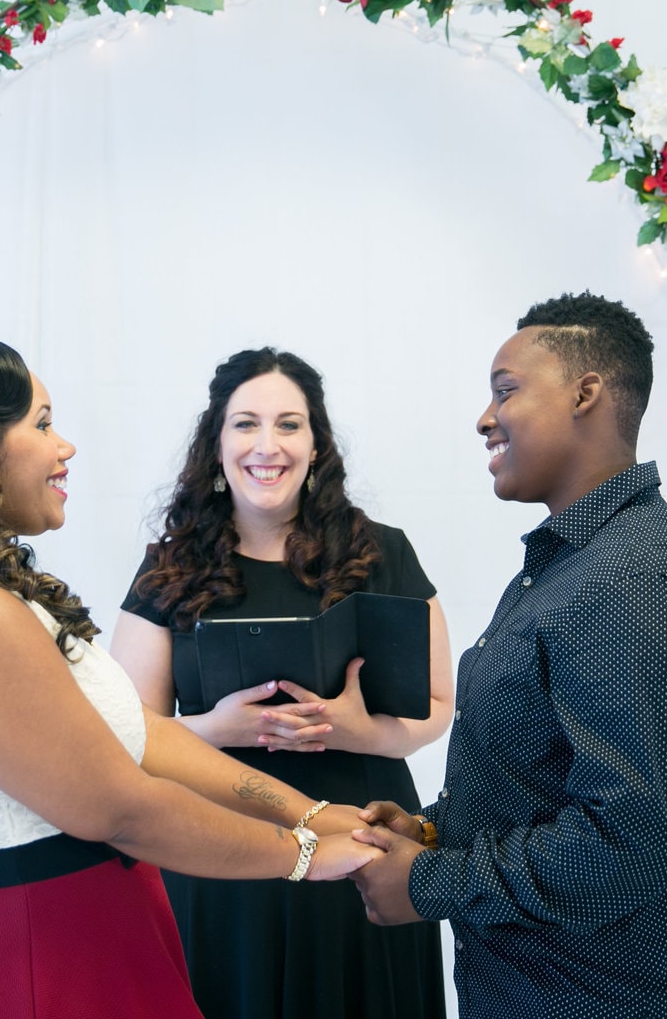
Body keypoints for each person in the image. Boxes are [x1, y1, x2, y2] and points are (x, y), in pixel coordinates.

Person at [0, 336, 381, 1019]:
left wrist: (311, 812)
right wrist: (303, 855)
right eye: (41, 423)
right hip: (25, 960)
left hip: (90, 936)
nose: (65, 447)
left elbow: (140, 736)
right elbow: (122, 807)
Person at [350, 293, 667, 1019]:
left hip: (606, 997)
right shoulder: (572, 566)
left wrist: (429, 882)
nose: (484, 417)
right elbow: (543, 782)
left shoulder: (629, 581)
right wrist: (434, 831)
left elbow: (624, 844)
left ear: (584, 393)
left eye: (506, 390)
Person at [110, 348, 454, 1019]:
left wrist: (362, 731)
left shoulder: (382, 552)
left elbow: (440, 706)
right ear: (215, 445)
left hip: (363, 840)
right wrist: (221, 729)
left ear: (317, 444)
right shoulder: (168, 568)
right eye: (245, 424)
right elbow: (123, 729)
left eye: (289, 424)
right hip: (220, 852)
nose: (267, 445)